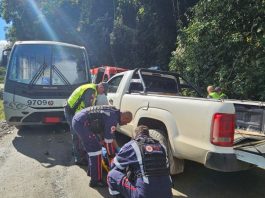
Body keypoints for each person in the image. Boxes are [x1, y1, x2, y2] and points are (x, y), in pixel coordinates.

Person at [72, 105, 133, 188]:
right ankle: (95, 181)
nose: (126, 124)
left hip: (80, 119)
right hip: (81, 123)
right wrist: (111, 155)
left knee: (95, 149)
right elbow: (108, 142)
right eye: (127, 122)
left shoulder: (114, 112)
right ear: (124, 117)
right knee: (96, 152)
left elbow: (109, 135)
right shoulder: (113, 119)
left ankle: (92, 172)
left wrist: (115, 148)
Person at [107, 125, 173, 198]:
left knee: (111, 175)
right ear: (148, 135)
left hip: (145, 194)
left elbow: (114, 164)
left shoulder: (132, 145)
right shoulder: (162, 146)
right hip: (167, 194)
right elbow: (167, 168)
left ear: (135, 135)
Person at [64, 82, 107, 165]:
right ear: (101, 87)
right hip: (71, 112)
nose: (103, 93)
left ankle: (77, 151)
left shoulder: (93, 90)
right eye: (103, 91)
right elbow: (88, 107)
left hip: (76, 112)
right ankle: (78, 158)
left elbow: (91, 107)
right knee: (76, 134)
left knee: (81, 133)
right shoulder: (91, 90)